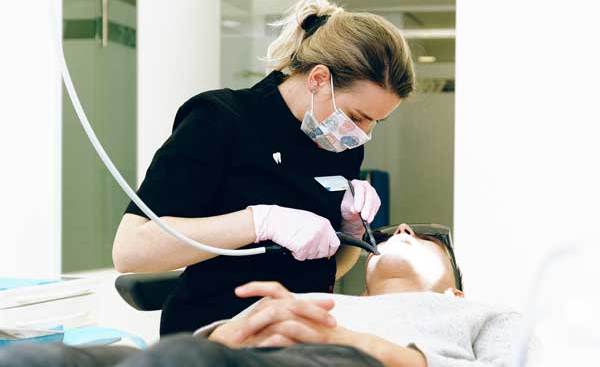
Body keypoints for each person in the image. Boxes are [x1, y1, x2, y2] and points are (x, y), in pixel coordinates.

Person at [112, 0, 416, 335]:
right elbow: (131, 250)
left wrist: (349, 233)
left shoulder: (339, 143)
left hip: (296, 335)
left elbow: (328, 268)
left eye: (376, 122)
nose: (363, 134)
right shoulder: (220, 119)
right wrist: (259, 222)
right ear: (318, 79)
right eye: (358, 117)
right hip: (212, 337)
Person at [0, 224, 532, 367]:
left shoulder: (485, 315)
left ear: (456, 291)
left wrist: (364, 347)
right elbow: (208, 347)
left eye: (421, 239)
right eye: (395, 234)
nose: (403, 231)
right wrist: (228, 333)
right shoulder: (322, 302)